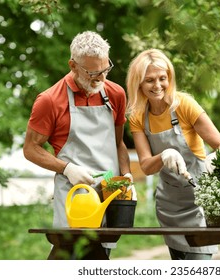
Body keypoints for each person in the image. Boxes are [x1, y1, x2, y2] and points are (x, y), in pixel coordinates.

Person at [23, 31, 132, 258]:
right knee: (72, 252)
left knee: (97, 255)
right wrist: (66, 168)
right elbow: (31, 149)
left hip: (108, 192)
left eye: (105, 70)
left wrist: (127, 175)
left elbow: (118, 143)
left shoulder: (116, 94)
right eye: (93, 73)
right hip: (75, 194)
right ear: (73, 65)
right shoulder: (50, 100)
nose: (101, 79)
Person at [126, 49, 220, 260]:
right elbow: (146, 166)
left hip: (199, 202)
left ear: (169, 78)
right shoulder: (138, 116)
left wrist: (214, 160)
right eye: (149, 80)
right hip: (170, 205)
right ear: (138, 83)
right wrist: (164, 155)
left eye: (162, 78)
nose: (157, 86)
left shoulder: (184, 105)